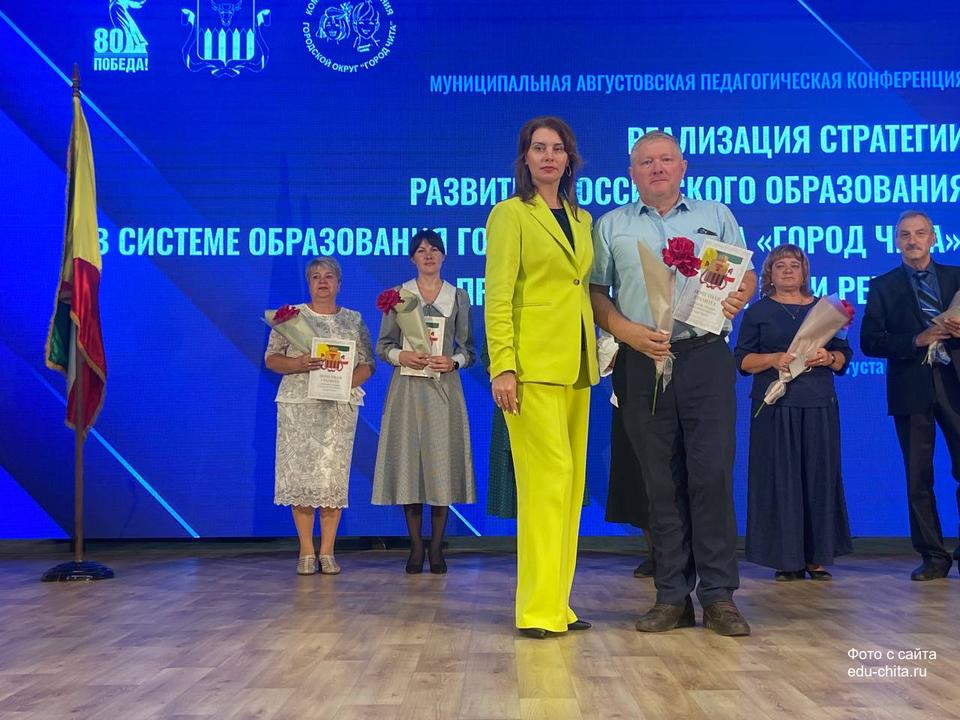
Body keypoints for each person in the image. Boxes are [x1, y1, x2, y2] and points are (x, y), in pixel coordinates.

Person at [590, 130, 756, 636]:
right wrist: (624, 331)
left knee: (711, 475)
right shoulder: (611, 225)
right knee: (659, 483)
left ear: (683, 167)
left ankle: (719, 597)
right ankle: (671, 597)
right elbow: (596, 291)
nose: (657, 168)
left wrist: (741, 295)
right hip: (642, 360)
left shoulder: (716, 214)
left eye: (666, 159)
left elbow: (746, 275)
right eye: (646, 162)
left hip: (705, 355)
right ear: (632, 173)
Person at [485, 116, 599, 639]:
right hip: (530, 369)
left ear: (569, 158)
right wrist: (503, 365)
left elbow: (580, 288)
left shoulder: (582, 217)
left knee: (568, 489)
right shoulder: (509, 214)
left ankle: (558, 602)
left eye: (557, 148)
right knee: (545, 486)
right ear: (525, 158)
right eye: (539, 148)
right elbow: (498, 296)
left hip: (577, 367)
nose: (549, 156)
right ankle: (535, 609)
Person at [734, 245, 853, 581]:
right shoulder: (758, 312)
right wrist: (773, 359)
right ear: (769, 274)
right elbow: (742, 360)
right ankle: (786, 559)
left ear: (804, 273)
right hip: (775, 406)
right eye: (780, 266)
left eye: (794, 265)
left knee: (819, 479)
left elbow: (844, 355)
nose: (788, 270)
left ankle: (817, 557)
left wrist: (829, 358)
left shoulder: (825, 310)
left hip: (818, 404)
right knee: (781, 481)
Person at [861, 210, 960, 581]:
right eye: (905, 234)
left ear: (933, 238)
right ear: (896, 241)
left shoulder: (957, 277)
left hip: (955, 384)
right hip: (911, 387)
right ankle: (933, 555)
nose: (913, 240)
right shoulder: (883, 286)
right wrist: (915, 340)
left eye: (920, 233)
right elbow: (870, 341)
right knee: (919, 477)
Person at [371, 229, 476, 574]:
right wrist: (402, 356)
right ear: (412, 258)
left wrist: (453, 361)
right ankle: (416, 546)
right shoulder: (398, 296)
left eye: (434, 249)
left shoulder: (457, 296)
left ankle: (436, 547)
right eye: (421, 250)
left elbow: (469, 349)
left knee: (440, 465)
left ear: (444, 256)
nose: (428, 255)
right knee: (411, 464)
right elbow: (383, 346)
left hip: (444, 389)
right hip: (408, 389)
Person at [265, 258, 375, 575]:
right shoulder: (291, 317)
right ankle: (306, 551)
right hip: (298, 406)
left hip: (337, 410)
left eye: (328, 276)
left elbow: (368, 364)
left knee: (331, 480)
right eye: (316, 277)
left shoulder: (353, 319)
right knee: (300, 479)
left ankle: (327, 551)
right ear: (309, 284)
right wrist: (298, 363)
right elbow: (271, 359)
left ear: (339, 284)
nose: (322, 281)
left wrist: (344, 383)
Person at [598, 330, 655, 578]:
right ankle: (656, 553)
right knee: (639, 481)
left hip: (681, 395)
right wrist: (635, 351)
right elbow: (605, 344)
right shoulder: (622, 308)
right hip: (630, 396)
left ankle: (682, 554)